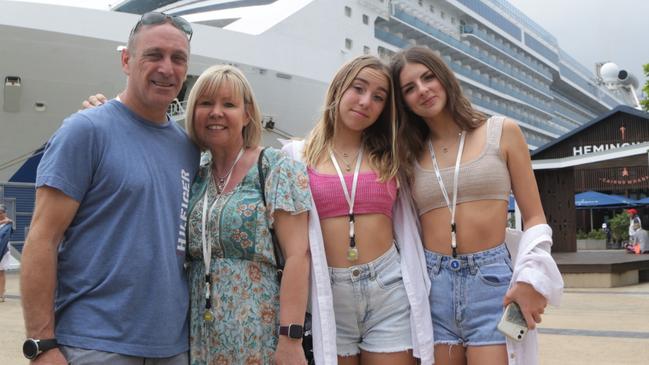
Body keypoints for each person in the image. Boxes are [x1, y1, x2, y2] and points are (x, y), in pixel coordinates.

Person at [20, 12, 199, 364]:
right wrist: (41, 345)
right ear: (126, 60)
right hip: (95, 345)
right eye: (154, 55)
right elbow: (42, 238)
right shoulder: (86, 131)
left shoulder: (188, 148)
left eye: (178, 59)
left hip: (172, 348)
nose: (167, 68)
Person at [390, 46, 563, 365]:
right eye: (409, 88)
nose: (423, 90)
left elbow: (535, 216)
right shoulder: (408, 155)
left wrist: (531, 277)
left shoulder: (502, 132)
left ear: (444, 78)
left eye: (428, 78)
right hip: (433, 286)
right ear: (403, 103)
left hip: (493, 282)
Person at [282, 55, 434, 365]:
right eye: (358, 88)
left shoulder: (392, 155)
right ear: (338, 88)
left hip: (388, 288)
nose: (366, 102)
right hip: (329, 292)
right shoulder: (296, 155)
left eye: (378, 97)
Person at [183, 65, 311, 364]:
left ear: (247, 113)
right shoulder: (195, 171)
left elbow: (298, 256)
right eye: (205, 103)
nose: (216, 112)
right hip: (197, 335)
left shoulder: (274, 166)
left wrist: (290, 340)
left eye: (228, 104)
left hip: (258, 333)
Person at [0, 204, 14, 303]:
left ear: (5, 212)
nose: (0, 214)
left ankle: (1, 294)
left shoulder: (8, 223)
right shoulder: (4, 222)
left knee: (1, 272)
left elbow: (4, 238)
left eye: (1, 212)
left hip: (3, 250)